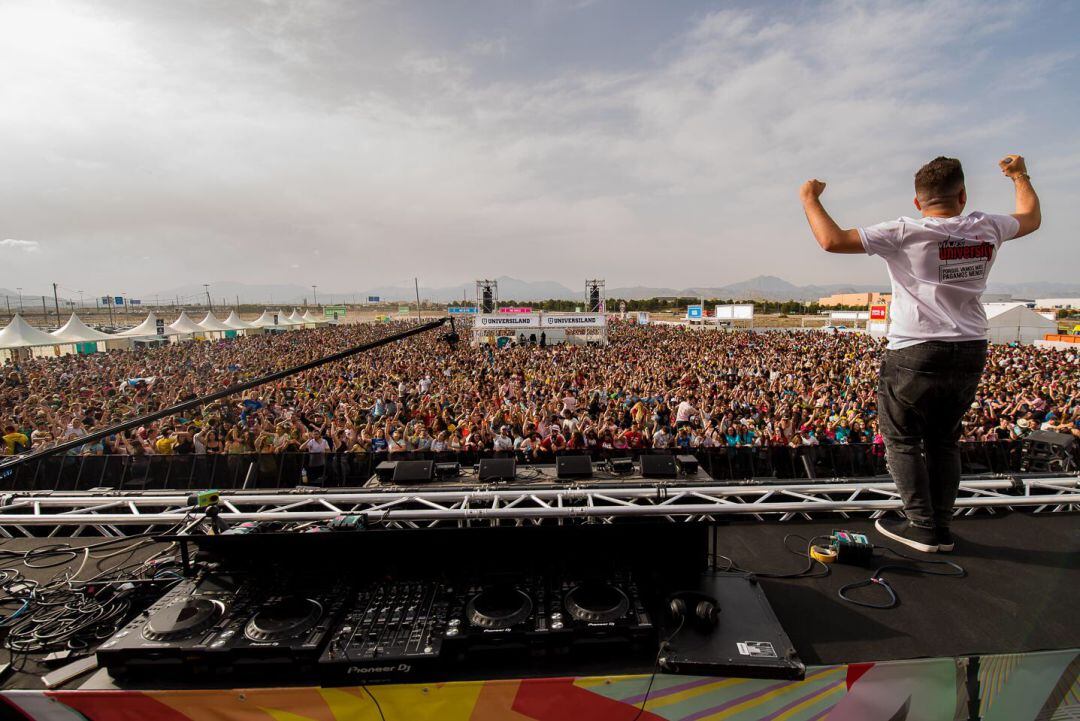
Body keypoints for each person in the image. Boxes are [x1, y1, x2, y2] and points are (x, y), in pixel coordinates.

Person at [800, 154, 1041, 552]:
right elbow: (1030, 217)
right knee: (945, 439)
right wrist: (1019, 176)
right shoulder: (988, 226)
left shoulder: (904, 231)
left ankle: (923, 526)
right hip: (970, 347)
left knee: (903, 438)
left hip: (916, 348)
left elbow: (831, 240)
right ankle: (939, 526)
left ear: (918, 202)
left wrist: (809, 198)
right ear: (962, 195)